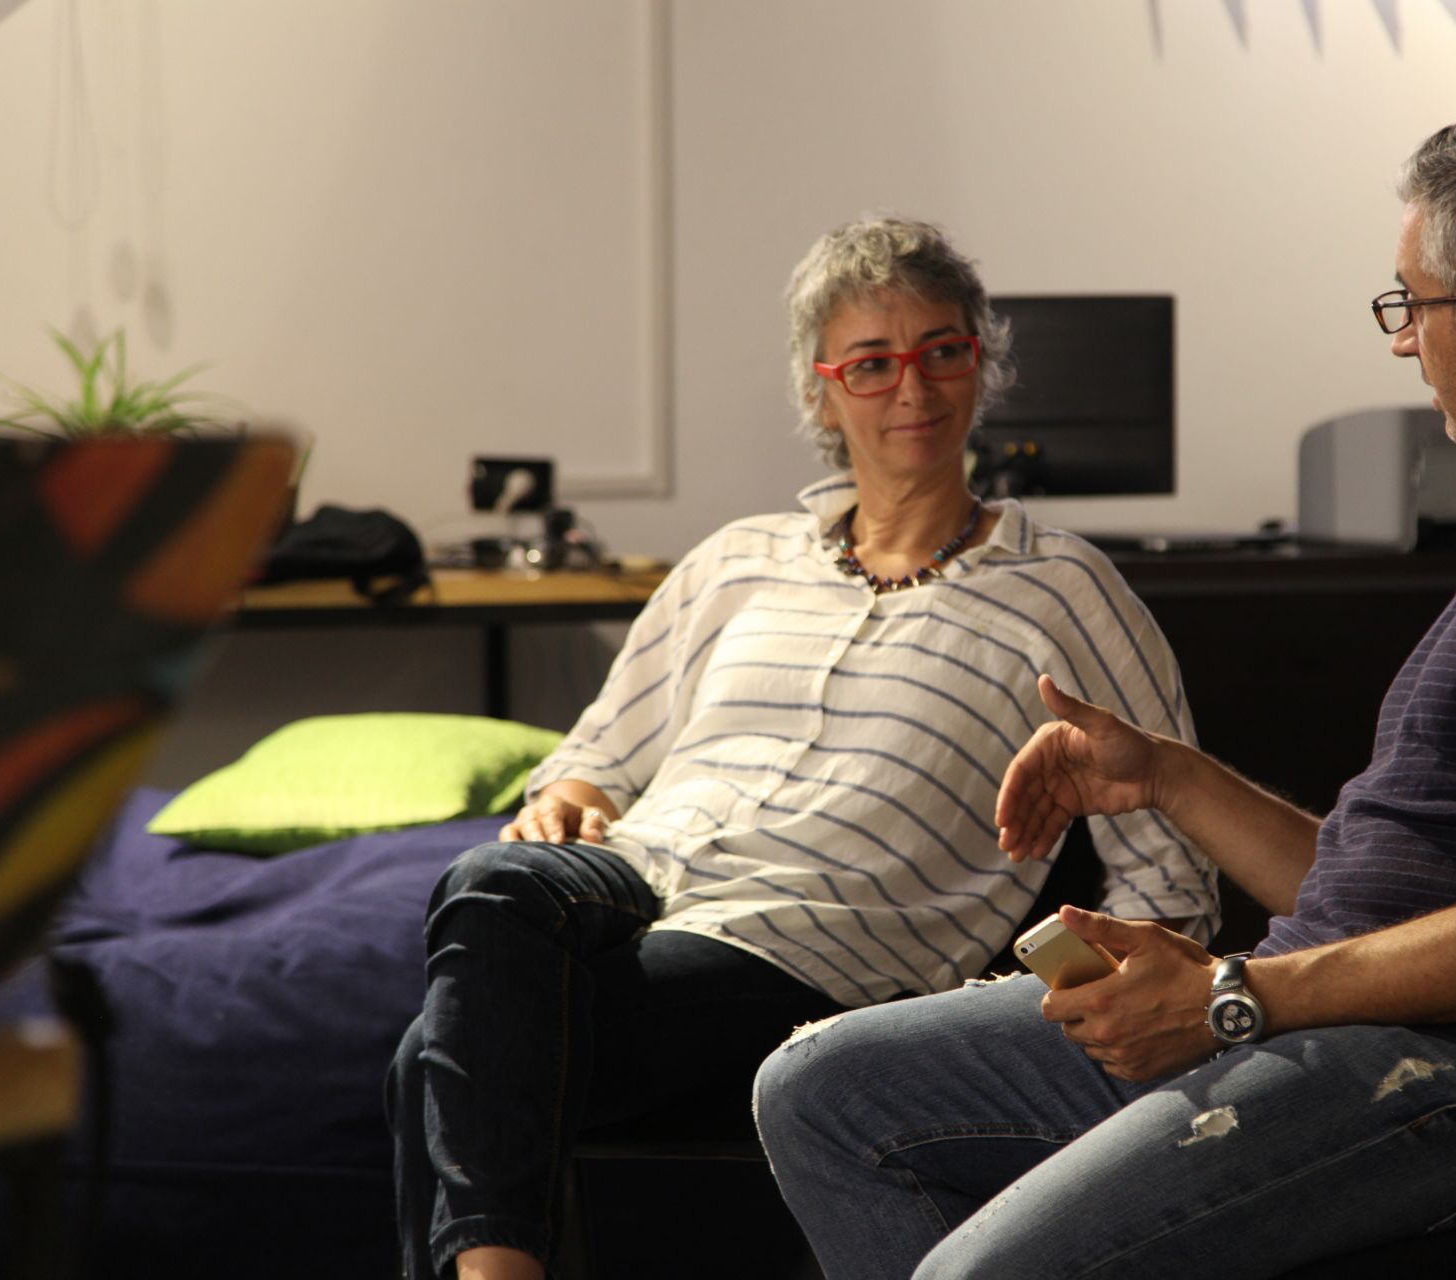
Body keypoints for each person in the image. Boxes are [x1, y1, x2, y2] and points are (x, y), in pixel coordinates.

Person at [753, 109, 1456, 1279]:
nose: (1404, 342)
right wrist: (1165, 775)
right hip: (1363, 1023)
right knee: (820, 1089)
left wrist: (1235, 993)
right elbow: (1390, 898)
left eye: (1412, 304)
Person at [384, 215, 1218, 1280]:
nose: (912, 387)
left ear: (980, 366)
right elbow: (598, 755)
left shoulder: (1065, 588)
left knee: (434, 1055)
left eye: (941, 350)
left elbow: (1169, 867)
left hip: (814, 946)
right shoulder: (732, 561)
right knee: (490, 878)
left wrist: (1118, 993)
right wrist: (570, 793)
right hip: (635, 876)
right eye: (871, 363)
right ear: (822, 393)